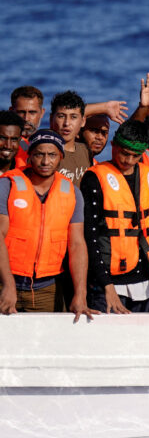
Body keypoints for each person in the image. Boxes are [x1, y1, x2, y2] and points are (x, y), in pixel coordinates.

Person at [0, 129, 93, 318]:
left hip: (47, 290)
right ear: (29, 156)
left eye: (51, 155)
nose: (45, 161)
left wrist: (80, 294)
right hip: (4, 283)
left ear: (60, 157)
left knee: (44, 346)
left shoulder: (73, 193)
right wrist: (8, 285)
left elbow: (77, 244)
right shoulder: (6, 185)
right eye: (39, 154)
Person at [80, 120, 149, 313]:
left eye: (135, 156)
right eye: (124, 153)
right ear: (113, 145)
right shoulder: (94, 178)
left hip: (145, 282)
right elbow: (89, 237)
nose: (128, 160)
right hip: (108, 284)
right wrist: (106, 286)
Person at [49, 90, 92, 184]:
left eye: (73, 117)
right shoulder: (45, 152)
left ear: (83, 121)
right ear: (51, 119)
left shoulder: (85, 151)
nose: (67, 123)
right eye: (61, 116)